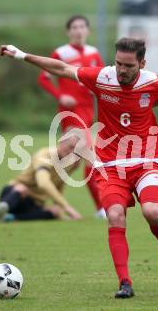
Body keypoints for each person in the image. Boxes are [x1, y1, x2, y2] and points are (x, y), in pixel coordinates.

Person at [0, 37, 158, 298]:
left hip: (146, 161)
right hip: (109, 164)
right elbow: (62, 69)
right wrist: (22, 55)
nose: (121, 70)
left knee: (153, 213)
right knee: (115, 216)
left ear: (141, 64)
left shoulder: (151, 82)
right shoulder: (102, 77)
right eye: (118, 63)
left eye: (128, 65)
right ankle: (125, 282)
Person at [38, 15, 106, 219]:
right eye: (74, 27)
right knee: (91, 157)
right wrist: (60, 95)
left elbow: (101, 78)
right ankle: (100, 209)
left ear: (88, 30)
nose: (78, 30)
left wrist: (98, 91)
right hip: (71, 114)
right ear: (68, 32)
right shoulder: (61, 53)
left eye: (82, 27)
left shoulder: (94, 53)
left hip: (88, 113)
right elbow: (44, 78)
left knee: (72, 162)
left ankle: (49, 198)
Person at [0, 137, 83, 222]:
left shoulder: (71, 162)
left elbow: (60, 184)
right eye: (70, 147)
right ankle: (3, 208)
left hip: (35, 203)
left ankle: (10, 218)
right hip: (15, 194)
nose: (72, 152)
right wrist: (67, 207)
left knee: (55, 211)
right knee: (21, 189)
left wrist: (60, 210)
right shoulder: (44, 155)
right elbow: (43, 183)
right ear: (61, 143)